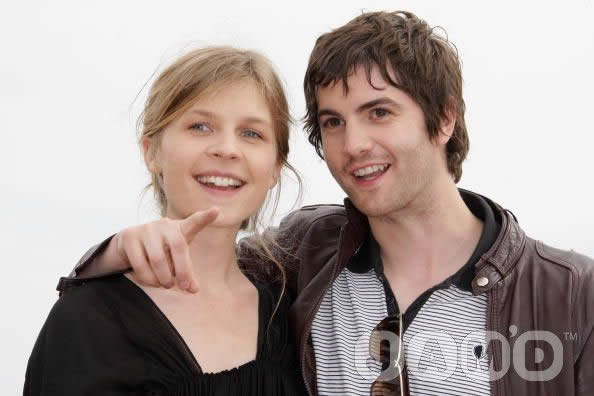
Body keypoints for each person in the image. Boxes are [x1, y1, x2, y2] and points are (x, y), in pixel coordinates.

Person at [59, 10, 594, 396]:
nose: (353, 143)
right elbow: (205, 270)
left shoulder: (571, 294)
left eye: (379, 112)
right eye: (333, 122)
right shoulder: (304, 256)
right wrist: (116, 249)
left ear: (445, 119)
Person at [24, 46, 306, 395]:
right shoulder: (88, 317)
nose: (227, 149)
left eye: (252, 133)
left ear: (276, 167)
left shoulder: (294, 305)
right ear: (151, 152)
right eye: (200, 126)